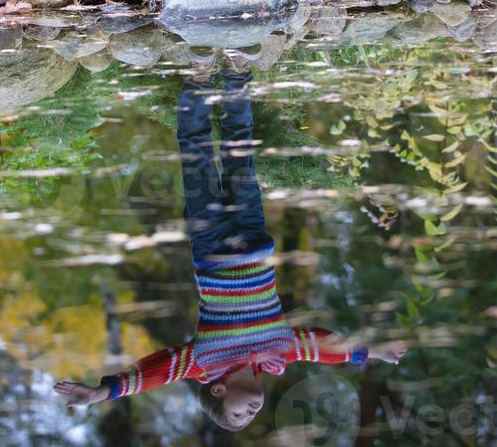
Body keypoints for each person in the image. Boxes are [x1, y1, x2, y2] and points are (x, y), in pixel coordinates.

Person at [54, 53, 406, 431]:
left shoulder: (204, 363)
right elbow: (326, 348)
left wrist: (103, 393)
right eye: (249, 418)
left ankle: (199, 77)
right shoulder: (279, 353)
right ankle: (237, 73)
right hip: (253, 235)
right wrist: (372, 352)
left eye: (238, 415)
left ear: (218, 392)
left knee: (197, 153)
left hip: (212, 243)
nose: (251, 414)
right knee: (240, 152)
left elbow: (157, 373)